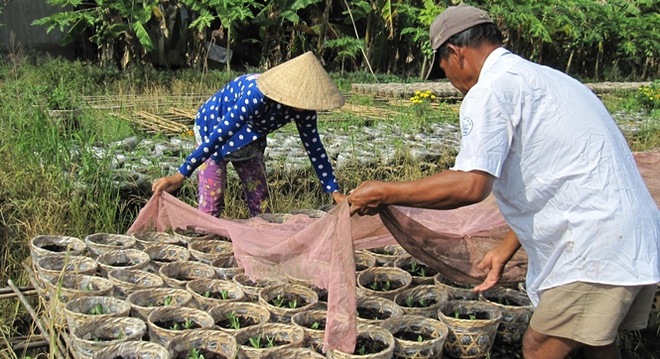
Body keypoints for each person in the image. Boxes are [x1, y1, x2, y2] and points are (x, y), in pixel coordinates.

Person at [347, 4, 659, 359]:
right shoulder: (550, 79)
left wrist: (386, 191)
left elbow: (470, 186)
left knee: (540, 345)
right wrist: (506, 247)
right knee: (595, 342)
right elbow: (560, 176)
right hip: (631, 237)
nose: (447, 76)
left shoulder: (491, 90)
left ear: (455, 53)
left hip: (595, 247)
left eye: (443, 66)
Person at [153, 52, 347, 216]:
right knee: (211, 204)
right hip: (213, 132)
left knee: (260, 203)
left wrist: (334, 191)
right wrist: (181, 174)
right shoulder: (257, 95)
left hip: (250, 138)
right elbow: (221, 133)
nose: (306, 107)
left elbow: (314, 147)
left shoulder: (304, 109)